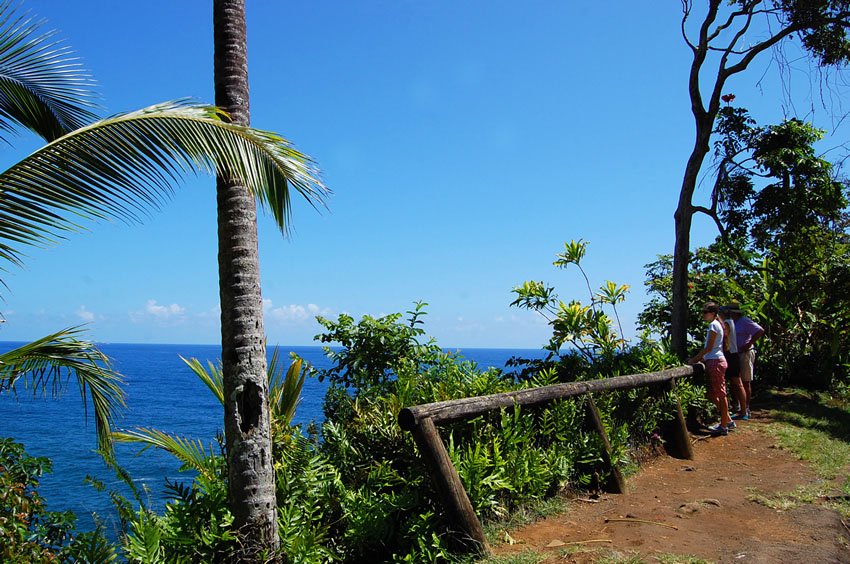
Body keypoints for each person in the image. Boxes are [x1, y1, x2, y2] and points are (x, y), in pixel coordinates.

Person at [688, 302, 733, 435]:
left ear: (712, 313)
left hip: (715, 361)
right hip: (715, 360)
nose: (703, 315)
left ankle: (724, 425)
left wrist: (694, 360)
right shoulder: (717, 324)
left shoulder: (713, 325)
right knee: (713, 394)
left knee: (720, 393)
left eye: (705, 312)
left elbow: (708, 347)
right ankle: (727, 420)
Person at [725, 302, 764, 420]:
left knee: (745, 381)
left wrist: (749, 343)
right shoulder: (732, 322)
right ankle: (739, 406)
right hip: (735, 354)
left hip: (745, 353)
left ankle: (746, 408)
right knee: (736, 381)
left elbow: (760, 330)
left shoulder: (744, 321)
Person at [719, 306, 746, 418]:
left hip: (731, 355)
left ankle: (744, 411)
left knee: (737, 383)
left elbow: (724, 336)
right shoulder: (730, 322)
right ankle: (742, 409)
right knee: (736, 383)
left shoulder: (727, 323)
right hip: (731, 355)